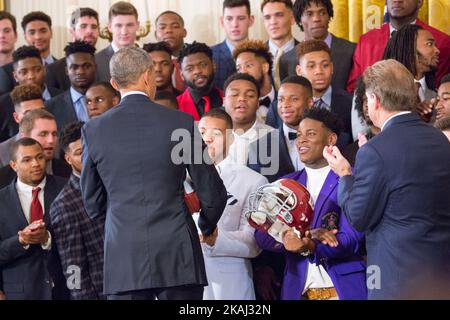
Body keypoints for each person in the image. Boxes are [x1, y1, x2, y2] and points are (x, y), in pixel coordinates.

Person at [81, 46, 227, 300]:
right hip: (178, 254)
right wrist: (206, 224)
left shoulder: (93, 131)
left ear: (114, 83)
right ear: (148, 75)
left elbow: (92, 204)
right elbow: (212, 194)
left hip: (124, 258)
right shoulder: (180, 123)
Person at [323, 59, 450, 299]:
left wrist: (345, 174)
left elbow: (358, 217)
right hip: (440, 279)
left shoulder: (375, 150)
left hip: (396, 281)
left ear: (375, 101)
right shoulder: (439, 140)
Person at [255, 107, 367, 300]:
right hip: (298, 292)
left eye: (311, 134)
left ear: (331, 140)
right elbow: (262, 237)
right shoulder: (285, 184)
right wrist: (302, 235)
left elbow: (352, 239)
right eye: (298, 135)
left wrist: (310, 244)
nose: (301, 140)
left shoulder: (351, 178)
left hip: (342, 291)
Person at [197, 109, 267, 300]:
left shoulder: (254, 181)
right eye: (201, 132)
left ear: (232, 138)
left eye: (216, 133)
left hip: (229, 288)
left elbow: (254, 243)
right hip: (180, 285)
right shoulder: (175, 180)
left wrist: (214, 239)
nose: (207, 138)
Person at [0, 138, 68, 300]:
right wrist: (21, 240)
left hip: (64, 288)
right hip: (20, 293)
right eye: (27, 160)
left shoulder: (66, 189)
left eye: (39, 157)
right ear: (13, 165)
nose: (36, 163)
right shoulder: (1, 200)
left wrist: (47, 238)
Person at [50, 122, 105, 300]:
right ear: (68, 159)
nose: (88, 157)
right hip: (103, 291)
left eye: (89, 149)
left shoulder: (117, 181)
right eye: (80, 153)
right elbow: (73, 267)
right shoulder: (64, 205)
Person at [346, 0, 450, 92]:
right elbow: (354, 88)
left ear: (419, 2)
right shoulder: (367, 41)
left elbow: (442, 90)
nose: (397, 0)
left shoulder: (442, 42)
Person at [279, 0, 356, 92]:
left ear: (329, 16)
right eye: (309, 14)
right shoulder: (287, 60)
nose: (316, 19)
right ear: (299, 20)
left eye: (322, 13)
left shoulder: (351, 50)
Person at [248, 75, 313, 182]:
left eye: (294, 99)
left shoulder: (329, 141)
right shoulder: (258, 149)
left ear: (310, 103)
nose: (285, 105)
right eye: (281, 99)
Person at [0, 46, 62, 142]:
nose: (31, 76)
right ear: (15, 76)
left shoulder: (62, 97)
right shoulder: (3, 105)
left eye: (37, 70)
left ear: (45, 69)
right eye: (24, 72)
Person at [0, 109, 71, 190]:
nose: (51, 140)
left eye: (54, 134)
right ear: (24, 137)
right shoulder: (2, 180)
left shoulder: (68, 174)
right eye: (43, 134)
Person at [224, 73, 273, 166]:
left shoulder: (273, 137)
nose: (242, 98)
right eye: (234, 94)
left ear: (258, 103)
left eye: (250, 95)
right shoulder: (209, 138)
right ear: (224, 101)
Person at [45, 41, 97, 130]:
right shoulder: (51, 107)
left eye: (86, 66)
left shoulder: (110, 101)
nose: (80, 72)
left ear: (95, 67)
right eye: (74, 67)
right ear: (66, 71)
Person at [46, 8, 99, 91]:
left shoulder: (106, 62)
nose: (89, 31)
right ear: (72, 31)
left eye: (94, 27)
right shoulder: (54, 70)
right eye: (83, 26)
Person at [212, 0, 254, 90]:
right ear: (222, 21)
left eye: (241, 18)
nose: (235, 24)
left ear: (251, 20)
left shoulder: (262, 54)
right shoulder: (209, 55)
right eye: (229, 19)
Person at [0, 84, 45, 167]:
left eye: (40, 112)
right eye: (28, 114)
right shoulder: (2, 153)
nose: (36, 117)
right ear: (16, 117)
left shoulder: (57, 146)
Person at [177, 42, 223, 121]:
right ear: (181, 75)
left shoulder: (228, 98)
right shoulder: (175, 106)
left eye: (203, 65)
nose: (197, 71)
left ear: (214, 65)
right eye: (189, 69)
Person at [95, 2, 139, 82]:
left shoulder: (148, 58)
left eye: (129, 25)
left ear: (137, 25)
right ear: (109, 27)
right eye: (118, 25)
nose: (124, 32)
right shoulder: (96, 61)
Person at [234, 39, 275, 123]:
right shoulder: (236, 105)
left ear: (265, 67)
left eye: (248, 65)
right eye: (239, 68)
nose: (243, 72)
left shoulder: (285, 99)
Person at [261, 0, 298, 90]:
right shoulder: (256, 55)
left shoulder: (306, 53)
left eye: (279, 15)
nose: (273, 22)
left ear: (292, 18)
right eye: (267, 17)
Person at [343, 77, 380, 167]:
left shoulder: (397, 143)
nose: (367, 105)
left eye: (372, 98)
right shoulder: (350, 151)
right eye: (364, 99)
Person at [155, 11, 187, 92]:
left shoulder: (197, 57)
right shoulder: (146, 62)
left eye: (175, 26)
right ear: (156, 34)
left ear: (184, 32)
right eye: (162, 27)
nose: (168, 30)